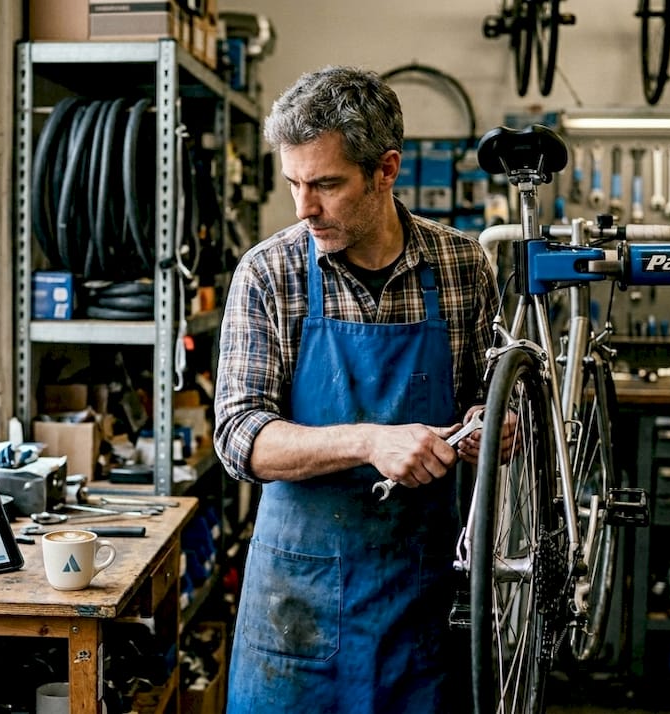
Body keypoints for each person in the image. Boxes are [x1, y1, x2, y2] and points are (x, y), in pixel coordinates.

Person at [213, 65, 500, 714]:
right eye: (293, 183)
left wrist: (492, 426)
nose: (303, 207)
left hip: (419, 604)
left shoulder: (461, 267)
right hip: (297, 612)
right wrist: (370, 440)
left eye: (326, 184)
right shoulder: (269, 273)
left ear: (386, 170)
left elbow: (488, 398)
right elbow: (238, 439)